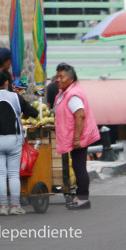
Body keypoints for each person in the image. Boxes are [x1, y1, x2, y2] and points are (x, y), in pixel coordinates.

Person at [0, 71, 38, 215]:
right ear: (6, 83)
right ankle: (15, 206)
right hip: (13, 140)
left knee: (0, 174)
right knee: (13, 174)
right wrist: (24, 113)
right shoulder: (15, 97)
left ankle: (3, 207)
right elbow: (34, 112)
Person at [53, 63, 100, 210]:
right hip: (75, 136)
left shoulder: (73, 95)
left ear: (71, 78)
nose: (58, 79)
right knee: (77, 166)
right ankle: (80, 197)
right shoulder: (65, 92)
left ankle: (83, 199)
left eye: (62, 77)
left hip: (79, 137)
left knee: (79, 167)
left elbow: (80, 115)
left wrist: (77, 138)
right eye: (57, 76)